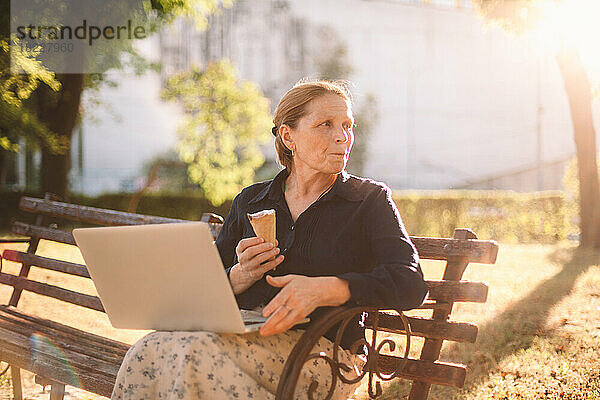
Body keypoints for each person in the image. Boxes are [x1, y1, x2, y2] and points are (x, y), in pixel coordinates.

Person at [112, 80, 428, 400]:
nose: (342, 136)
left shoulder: (368, 200)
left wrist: (327, 289)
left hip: (324, 355)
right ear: (288, 136)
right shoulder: (251, 200)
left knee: (198, 353)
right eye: (326, 125)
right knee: (148, 348)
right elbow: (204, 287)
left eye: (347, 125)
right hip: (243, 335)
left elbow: (411, 283)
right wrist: (239, 276)